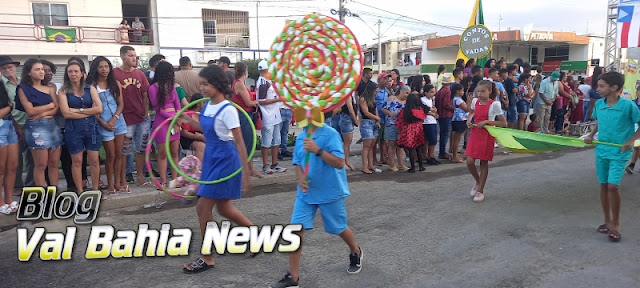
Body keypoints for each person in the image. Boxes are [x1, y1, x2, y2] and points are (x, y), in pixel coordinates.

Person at [269, 103, 362, 288]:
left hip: (330, 192)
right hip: (306, 194)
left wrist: (317, 150)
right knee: (295, 231)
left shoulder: (330, 134)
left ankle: (355, 251)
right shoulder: (302, 136)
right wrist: (300, 178)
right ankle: (293, 277)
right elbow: (297, 162)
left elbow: (339, 163)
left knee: (339, 228)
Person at [180, 65, 255, 273]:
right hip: (212, 158)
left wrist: (246, 173)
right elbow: (209, 130)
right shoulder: (208, 105)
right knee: (224, 209)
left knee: (202, 207)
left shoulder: (229, 109)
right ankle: (255, 236)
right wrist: (187, 120)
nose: (201, 88)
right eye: (201, 84)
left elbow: (239, 141)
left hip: (225, 159)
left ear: (217, 84)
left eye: (206, 84)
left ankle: (208, 257)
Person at [583, 71, 640, 242]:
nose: (597, 89)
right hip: (602, 150)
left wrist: (631, 140)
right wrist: (591, 136)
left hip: (620, 152)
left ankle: (616, 223)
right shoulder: (600, 105)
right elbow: (599, 122)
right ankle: (606, 221)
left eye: (602, 86)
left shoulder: (628, 106)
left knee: (613, 186)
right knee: (603, 185)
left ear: (614, 88)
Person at [15, 58, 63, 189]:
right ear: (29, 72)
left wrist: (41, 113)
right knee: (41, 164)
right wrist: (50, 105)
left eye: (42, 69)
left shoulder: (50, 88)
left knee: (54, 163)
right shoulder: (23, 88)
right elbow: (30, 111)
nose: (41, 72)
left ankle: (54, 192)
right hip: (36, 128)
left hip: (53, 125)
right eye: (37, 69)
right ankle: (42, 195)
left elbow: (57, 108)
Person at [58, 61, 103, 196]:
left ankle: (96, 189)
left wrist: (77, 110)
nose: (73, 74)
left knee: (94, 161)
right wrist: (89, 110)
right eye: (70, 71)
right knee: (77, 161)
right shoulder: (63, 91)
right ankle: (80, 191)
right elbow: (66, 113)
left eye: (76, 71)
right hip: (73, 129)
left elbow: (99, 108)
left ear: (82, 73)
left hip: (92, 128)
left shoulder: (91, 89)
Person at [88, 56, 126, 196]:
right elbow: (93, 109)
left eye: (106, 66)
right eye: (101, 67)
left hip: (118, 121)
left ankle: (118, 181)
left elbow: (121, 104)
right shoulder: (92, 86)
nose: (104, 69)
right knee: (110, 154)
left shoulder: (115, 83)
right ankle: (109, 183)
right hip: (102, 123)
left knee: (119, 153)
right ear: (96, 69)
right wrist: (104, 123)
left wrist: (114, 119)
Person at [115, 46, 151, 189]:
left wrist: (146, 112)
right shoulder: (115, 74)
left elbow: (145, 95)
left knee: (141, 148)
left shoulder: (140, 74)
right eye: (130, 55)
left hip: (141, 118)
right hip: (124, 118)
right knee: (125, 150)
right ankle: (123, 178)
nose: (133, 58)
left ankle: (140, 177)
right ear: (122, 56)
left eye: (135, 55)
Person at [465, 80, 507, 203]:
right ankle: (478, 182)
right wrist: (469, 120)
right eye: (478, 91)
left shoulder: (495, 104)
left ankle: (480, 190)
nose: (480, 93)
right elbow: (472, 112)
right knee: (469, 161)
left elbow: (503, 123)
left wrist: (488, 122)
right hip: (475, 133)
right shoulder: (474, 101)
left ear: (489, 91)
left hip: (487, 134)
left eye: (483, 91)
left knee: (483, 163)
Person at [148, 61, 181, 188]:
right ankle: (163, 180)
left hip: (174, 122)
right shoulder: (153, 88)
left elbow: (178, 105)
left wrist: (177, 118)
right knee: (162, 153)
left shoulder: (172, 87)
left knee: (174, 152)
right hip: (162, 123)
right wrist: (173, 118)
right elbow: (158, 108)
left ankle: (175, 179)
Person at [1, 56, 28, 196]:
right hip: (13, 124)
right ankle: (17, 186)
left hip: (29, 121)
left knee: (31, 156)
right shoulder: (2, 85)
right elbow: (8, 106)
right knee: (15, 158)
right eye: (4, 68)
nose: (8, 70)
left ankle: (31, 184)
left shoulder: (23, 81)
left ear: (15, 67)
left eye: (10, 67)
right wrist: (17, 126)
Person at [231, 62, 262, 178]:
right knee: (247, 143)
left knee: (247, 142)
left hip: (244, 115)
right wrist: (258, 102)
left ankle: (249, 169)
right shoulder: (239, 84)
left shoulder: (237, 83)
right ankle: (247, 170)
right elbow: (248, 102)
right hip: (244, 116)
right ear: (245, 72)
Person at [256, 60, 286, 174]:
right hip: (267, 116)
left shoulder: (269, 81)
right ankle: (266, 165)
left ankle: (275, 164)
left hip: (275, 115)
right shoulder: (263, 82)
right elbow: (261, 101)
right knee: (266, 142)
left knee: (276, 140)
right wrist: (277, 100)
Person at [0, 78, 19, 214]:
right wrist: (9, 107)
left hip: (10, 125)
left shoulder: (3, 85)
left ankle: (9, 198)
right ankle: (0, 202)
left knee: (12, 166)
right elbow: (9, 107)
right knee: (0, 168)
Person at [396, 92, 426, 173]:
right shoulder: (420, 110)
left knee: (411, 149)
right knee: (419, 148)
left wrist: (400, 132)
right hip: (419, 128)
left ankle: (412, 167)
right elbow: (423, 118)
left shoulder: (404, 110)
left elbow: (400, 122)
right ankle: (421, 166)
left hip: (409, 129)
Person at [381, 85, 408, 171]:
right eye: (406, 93)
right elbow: (383, 108)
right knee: (392, 144)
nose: (407, 95)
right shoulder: (392, 98)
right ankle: (392, 163)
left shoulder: (406, 102)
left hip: (402, 125)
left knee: (400, 145)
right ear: (401, 91)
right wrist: (390, 113)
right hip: (391, 124)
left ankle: (400, 163)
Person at [359, 82, 381, 174]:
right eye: (375, 91)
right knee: (366, 146)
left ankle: (370, 164)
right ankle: (364, 166)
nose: (376, 93)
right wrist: (377, 118)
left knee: (372, 146)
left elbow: (375, 109)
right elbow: (366, 112)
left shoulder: (372, 99)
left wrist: (377, 120)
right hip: (366, 122)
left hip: (373, 122)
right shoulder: (363, 99)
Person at [179, 93, 205, 162]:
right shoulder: (188, 114)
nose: (206, 104)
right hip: (189, 138)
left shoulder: (203, 114)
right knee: (201, 146)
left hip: (202, 136)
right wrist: (197, 137)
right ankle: (197, 169)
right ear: (199, 103)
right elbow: (184, 132)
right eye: (204, 102)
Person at [435, 79, 453, 160]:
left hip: (440, 114)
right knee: (445, 134)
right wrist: (454, 108)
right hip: (446, 114)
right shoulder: (447, 91)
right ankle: (442, 152)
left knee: (443, 134)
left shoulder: (439, 91)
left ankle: (442, 151)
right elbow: (446, 104)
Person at [451, 83, 469, 163]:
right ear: (458, 91)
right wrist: (469, 100)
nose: (463, 92)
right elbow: (467, 109)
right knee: (457, 139)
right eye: (462, 91)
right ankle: (455, 156)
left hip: (457, 119)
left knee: (456, 138)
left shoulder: (454, 99)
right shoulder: (458, 100)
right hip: (459, 119)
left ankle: (455, 155)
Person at [421, 84, 439, 165]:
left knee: (433, 140)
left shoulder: (432, 100)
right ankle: (429, 156)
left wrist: (435, 113)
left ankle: (430, 155)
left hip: (433, 121)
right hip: (427, 122)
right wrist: (432, 113)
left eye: (434, 92)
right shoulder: (422, 100)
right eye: (431, 92)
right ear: (426, 93)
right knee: (432, 140)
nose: (433, 94)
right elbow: (424, 110)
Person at [626, 86, 640, 175]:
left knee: (637, 147)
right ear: (636, 92)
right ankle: (632, 165)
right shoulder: (632, 103)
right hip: (634, 128)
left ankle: (632, 165)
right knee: (637, 146)